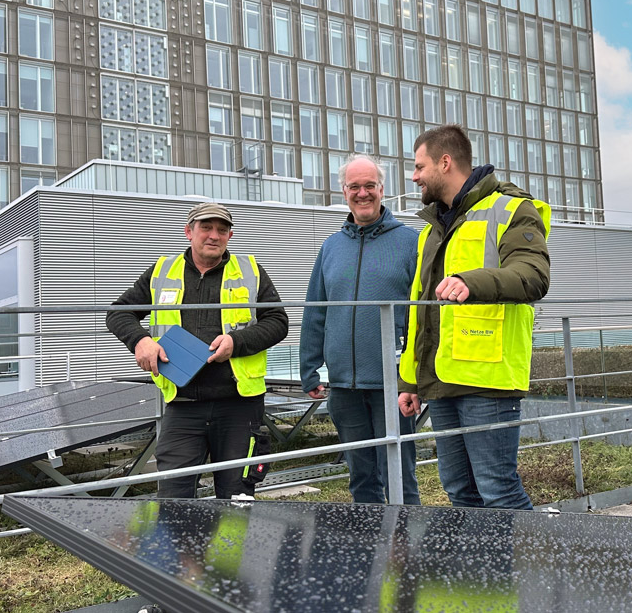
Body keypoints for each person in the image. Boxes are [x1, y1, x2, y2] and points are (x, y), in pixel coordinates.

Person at [397, 124, 551, 510]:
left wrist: (471, 281)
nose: (414, 177)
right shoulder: (431, 231)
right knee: (459, 491)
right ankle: (478, 555)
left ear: (445, 162)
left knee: (498, 490)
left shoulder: (511, 209)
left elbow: (533, 275)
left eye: (419, 166)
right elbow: (420, 311)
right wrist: (410, 379)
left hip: (488, 380)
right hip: (442, 380)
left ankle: (525, 553)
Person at [106, 202, 288, 499]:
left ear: (230, 235)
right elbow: (119, 313)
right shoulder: (163, 270)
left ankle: (231, 532)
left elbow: (278, 322)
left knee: (237, 498)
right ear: (188, 232)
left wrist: (236, 343)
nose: (214, 235)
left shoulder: (249, 270)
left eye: (222, 230)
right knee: (174, 496)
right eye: (206, 228)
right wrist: (140, 340)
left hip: (239, 405)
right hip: (183, 404)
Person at [300, 154, 421, 505]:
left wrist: (414, 376)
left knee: (400, 476)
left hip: (392, 385)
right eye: (355, 186)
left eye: (370, 185)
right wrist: (309, 368)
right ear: (344, 191)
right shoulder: (331, 247)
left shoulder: (410, 243)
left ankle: (404, 539)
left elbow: (423, 316)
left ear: (382, 189)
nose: (362, 193)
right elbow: (316, 309)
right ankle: (368, 539)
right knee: (361, 479)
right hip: (343, 387)